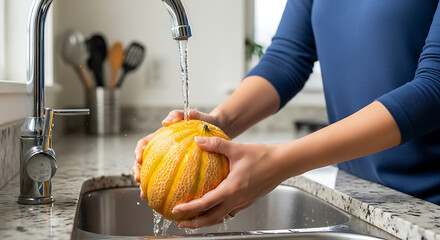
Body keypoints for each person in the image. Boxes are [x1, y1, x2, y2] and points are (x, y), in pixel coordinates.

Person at [133, 0, 440, 229]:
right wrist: (214, 125)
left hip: (429, 208)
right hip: (358, 196)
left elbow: (433, 89)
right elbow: (288, 57)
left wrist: (278, 162)